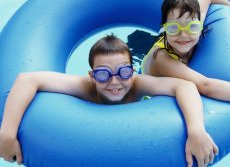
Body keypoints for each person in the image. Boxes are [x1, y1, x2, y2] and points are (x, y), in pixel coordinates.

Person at [0, 34, 217, 167]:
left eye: (123, 72)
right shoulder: (84, 87)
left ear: (132, 72)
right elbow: (27, 79)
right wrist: (7, 134)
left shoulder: (138, 84)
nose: (115, 82)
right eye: (103, 74)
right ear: (92, 76)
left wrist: (196, 130)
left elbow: (185, 86)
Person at [142, 0, 230, 123]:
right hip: (153, 97)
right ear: (164, 29)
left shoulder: (191, 16)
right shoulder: (161, 59)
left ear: (200, 24)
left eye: (193, 27)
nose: (183, 35)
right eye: (173, 28)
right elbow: (204, 85)